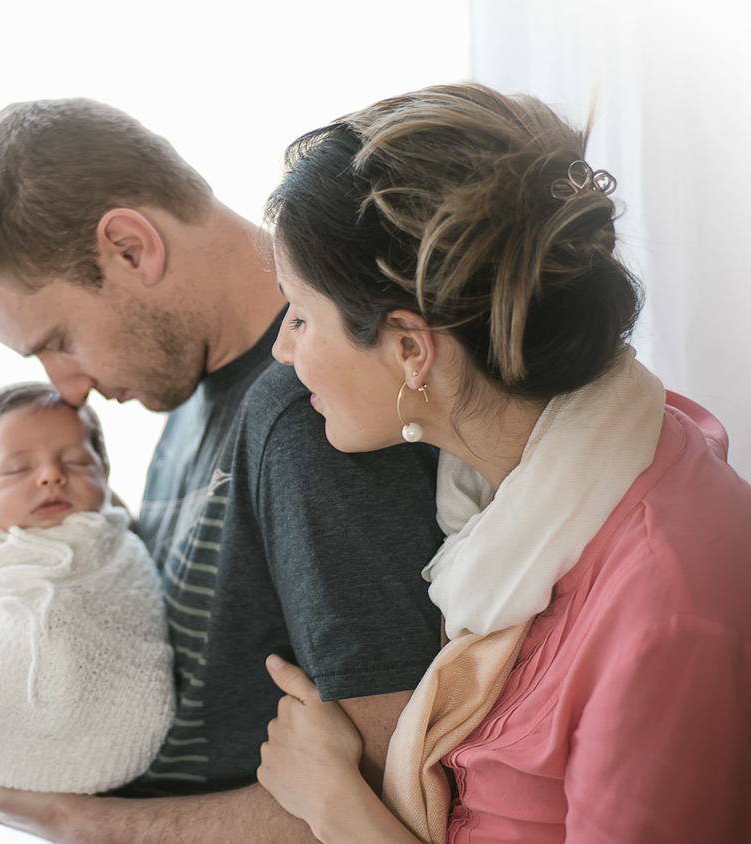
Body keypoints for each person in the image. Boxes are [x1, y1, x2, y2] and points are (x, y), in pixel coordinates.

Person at [0, 99, 446, 842]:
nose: (65, 388)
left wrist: (94, 826)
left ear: (131, 248)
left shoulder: (311, 414)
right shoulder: (190, 405)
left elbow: (397, 786)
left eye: (58, 340)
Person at [255, 82, 751, 843]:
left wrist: (336, 804)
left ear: (411, 349)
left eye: (300, 315)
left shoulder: (666, 612)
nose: (282, 353)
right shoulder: (505, 508)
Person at [0, 383, 174, 795]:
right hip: (0, 741)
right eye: (17, 470)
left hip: (117, 737)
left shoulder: (114, 544)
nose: (51, 476)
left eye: (77, 462)